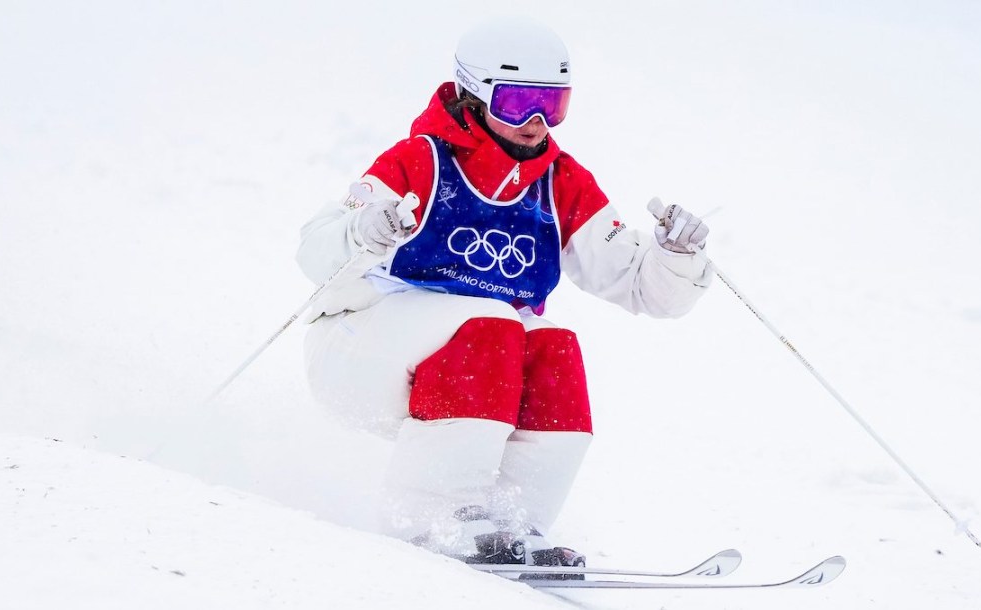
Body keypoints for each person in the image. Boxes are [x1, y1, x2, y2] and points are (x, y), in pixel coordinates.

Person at [296, 17, 712, 567]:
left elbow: (643, 288)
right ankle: (433, 518)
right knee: (491, 324)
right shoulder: (420, 160)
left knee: (555, 348)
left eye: (552, 105)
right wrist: (362, 230)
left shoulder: (560, 181)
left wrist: (674, 257)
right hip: (361, 351)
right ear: (475, 93)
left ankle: (513, 522)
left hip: (473, 371)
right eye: (518, 103)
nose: (537, 123)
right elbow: (314, 252)